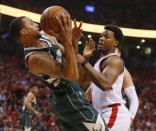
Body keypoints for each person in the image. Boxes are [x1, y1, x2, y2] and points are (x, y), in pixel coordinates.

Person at [9, 15, 108, 131]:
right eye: (31, 23)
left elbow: (71, 57)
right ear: (24, 31)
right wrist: (67, 41)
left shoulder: (45, 36)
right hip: (68, 98)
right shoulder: (34, 59)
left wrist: (74, 41)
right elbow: (72, 75)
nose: (36, 24)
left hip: (70, 96)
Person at [77, 25, 139, 131]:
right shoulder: (99, 63)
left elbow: (105, 84)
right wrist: (86, 58)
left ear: (116, 43)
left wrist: (131, 118)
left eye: (106, 36)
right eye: (101, 36)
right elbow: (82, 82)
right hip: (101, 113)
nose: (101, 38)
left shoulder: (115, 61)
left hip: (113, 113)